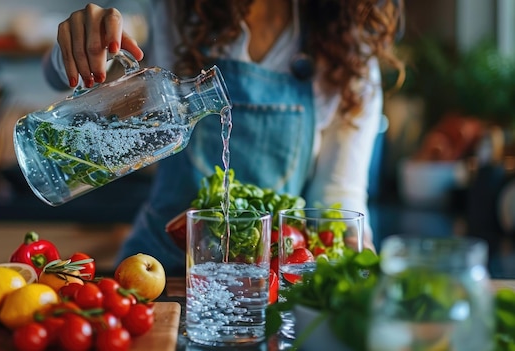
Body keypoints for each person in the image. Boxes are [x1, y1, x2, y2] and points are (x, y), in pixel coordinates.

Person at [43, 0, 405, 275]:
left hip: (264, 284)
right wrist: (78, 50)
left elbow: (336, 203)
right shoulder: (175, 12)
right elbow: (59, 74)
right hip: (156, 271)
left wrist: (352, 270)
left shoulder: (349, 53)